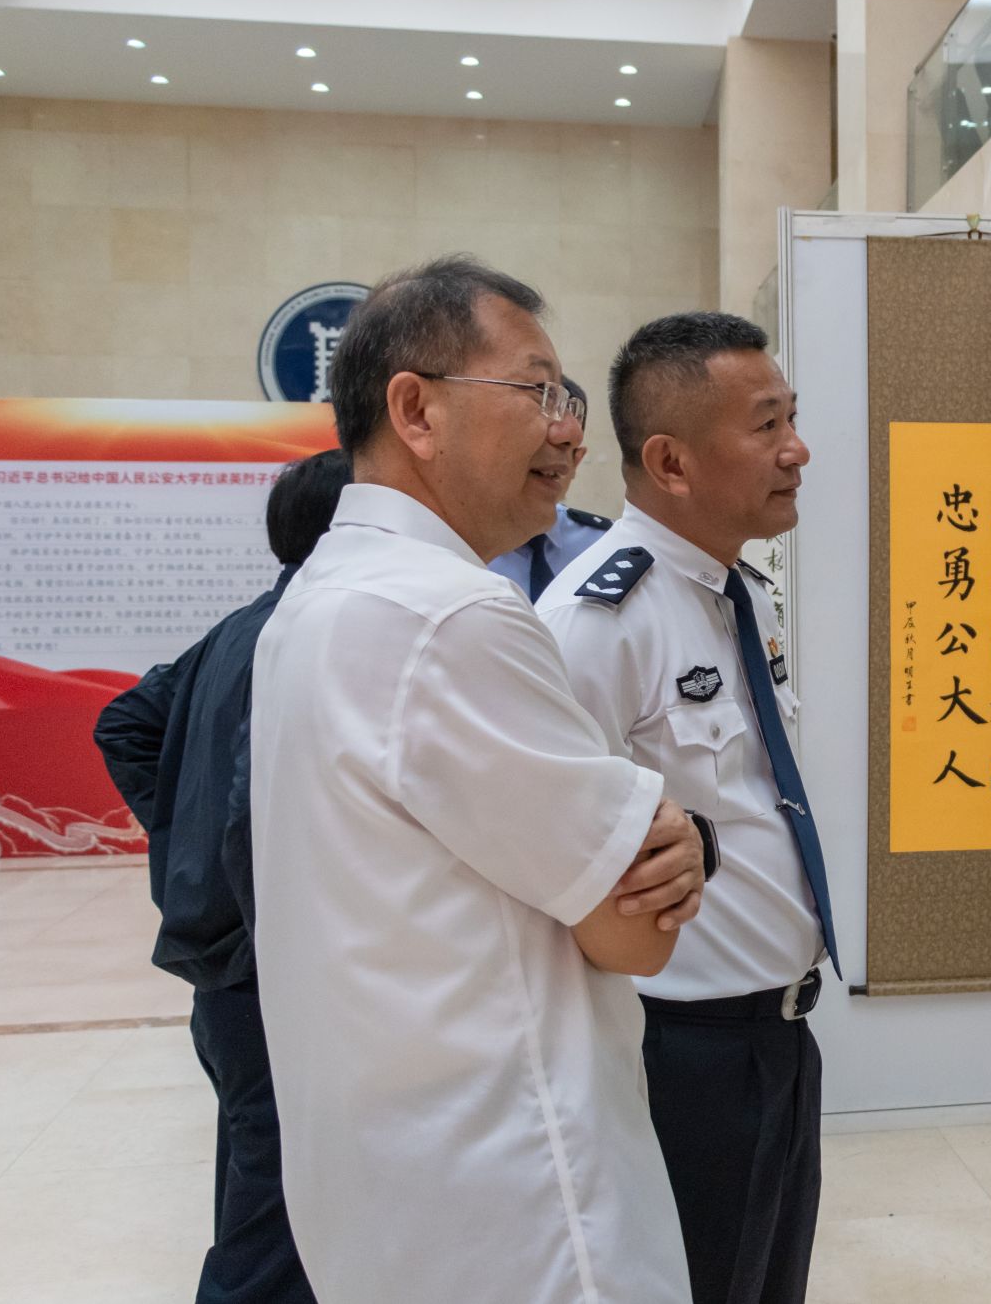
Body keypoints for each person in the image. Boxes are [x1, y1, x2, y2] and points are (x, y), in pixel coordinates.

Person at [248, 255, 705, 1304]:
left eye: (567, 398)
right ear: (415, 409)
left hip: (394, 1185)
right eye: (537, 391)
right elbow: (636, 927)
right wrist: (666, 823)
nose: (568, 433)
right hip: (518, 1196)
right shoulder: (451, 616)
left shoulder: (319, 601)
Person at [537, 311, 834, 1304]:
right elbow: (549, 858)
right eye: (766, 425)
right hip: (677, 1053)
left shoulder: (741, 590)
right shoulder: (595, 621)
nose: (796, 450)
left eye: (791, 417)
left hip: (777, 1036)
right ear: (670, 461)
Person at [93, 447, 350, 1304]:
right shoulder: (301, 635)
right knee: (271, 1241)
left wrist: (184, 838)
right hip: (262, 972)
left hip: (225, 974)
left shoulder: (244, 625)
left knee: (258, 1192)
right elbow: (243, 794)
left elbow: (125, 722)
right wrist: (211, 850)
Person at [486, 382, 612, 599]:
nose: (563, 437)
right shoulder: (458, 545)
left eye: (565, 448)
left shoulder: (605, 545)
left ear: (577, 461)